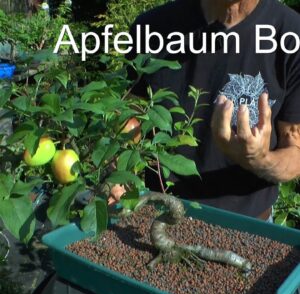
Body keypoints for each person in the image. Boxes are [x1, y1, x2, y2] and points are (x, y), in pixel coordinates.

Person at [109, 0, 300, 221]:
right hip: (159, 217)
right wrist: (115, 168)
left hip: (250, 228)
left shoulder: (290, 33)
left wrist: (259, 159)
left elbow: (295, 151)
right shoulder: (152, 28)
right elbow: (130, 117)